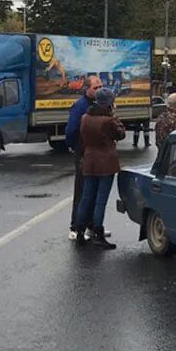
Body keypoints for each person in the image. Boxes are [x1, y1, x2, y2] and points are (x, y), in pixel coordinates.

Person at [75, 88, 125, 249]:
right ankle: (98, 233)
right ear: (109, 103)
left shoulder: (85, 118)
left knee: (86, 196)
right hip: (105, 162)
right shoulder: (109, 120)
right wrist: (114, 117)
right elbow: (120, 134)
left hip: (89, 160)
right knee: (100, 200)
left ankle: (80, 231)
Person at [66, 74, 102, 241]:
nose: (99, 90)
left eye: (101, 86)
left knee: (94, 189)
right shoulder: (80, 106)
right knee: (82, 189)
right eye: (96, 87)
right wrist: (75, 148)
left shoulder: (99, 105)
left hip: (96, 152)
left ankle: (92, 225)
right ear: (87, 89)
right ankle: (75, 226)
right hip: (84, 152)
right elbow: (71, 130)